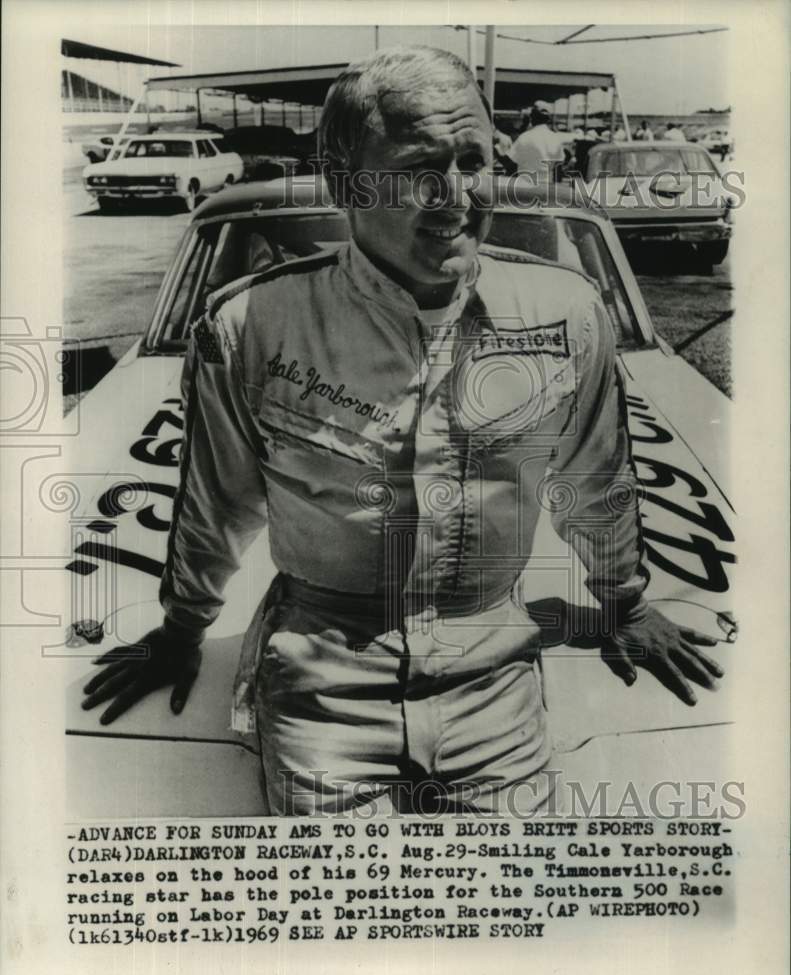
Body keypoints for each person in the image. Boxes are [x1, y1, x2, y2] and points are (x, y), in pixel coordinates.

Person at [81, 45, 723, 816]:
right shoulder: (252, 325)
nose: (456, 196)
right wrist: (182, 628)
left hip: (495, 675)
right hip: (321, 679)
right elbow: (217, 504)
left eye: (473, 160)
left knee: (507, 913)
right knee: (341, 919)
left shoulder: (568, 312)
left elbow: (596, 478)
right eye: (421, 168)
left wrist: (623, 604)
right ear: (347, 183)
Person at [505, 103, 570, 182]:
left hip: (523, 188)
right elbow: (558, 168)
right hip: (546, 187)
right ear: (548, 119)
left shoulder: (524, 137)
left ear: (532, 118)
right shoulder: (556, 139)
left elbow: (511, 165)